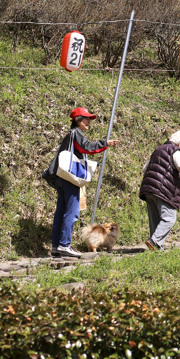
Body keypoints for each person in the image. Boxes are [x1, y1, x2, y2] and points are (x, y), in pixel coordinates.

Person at [51, 107, 120, 258]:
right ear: (77, 120)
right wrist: (105, 143)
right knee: (72, 212)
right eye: (86, 118)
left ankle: (56, 246)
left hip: (61, 177)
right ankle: (64, 245)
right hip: (70, 179)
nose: (89, 121)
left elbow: (85, 149)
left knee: (61, 212)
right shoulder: (77, 133)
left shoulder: (71, 134)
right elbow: (87, 148)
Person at [138, 131, 180, 251]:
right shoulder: (174, 150)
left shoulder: (158, 149)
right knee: (170, 217)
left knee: (155, 218)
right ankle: (154, 241)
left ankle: (156, 247)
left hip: (148, 188)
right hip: (162, 188)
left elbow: (145, 168)